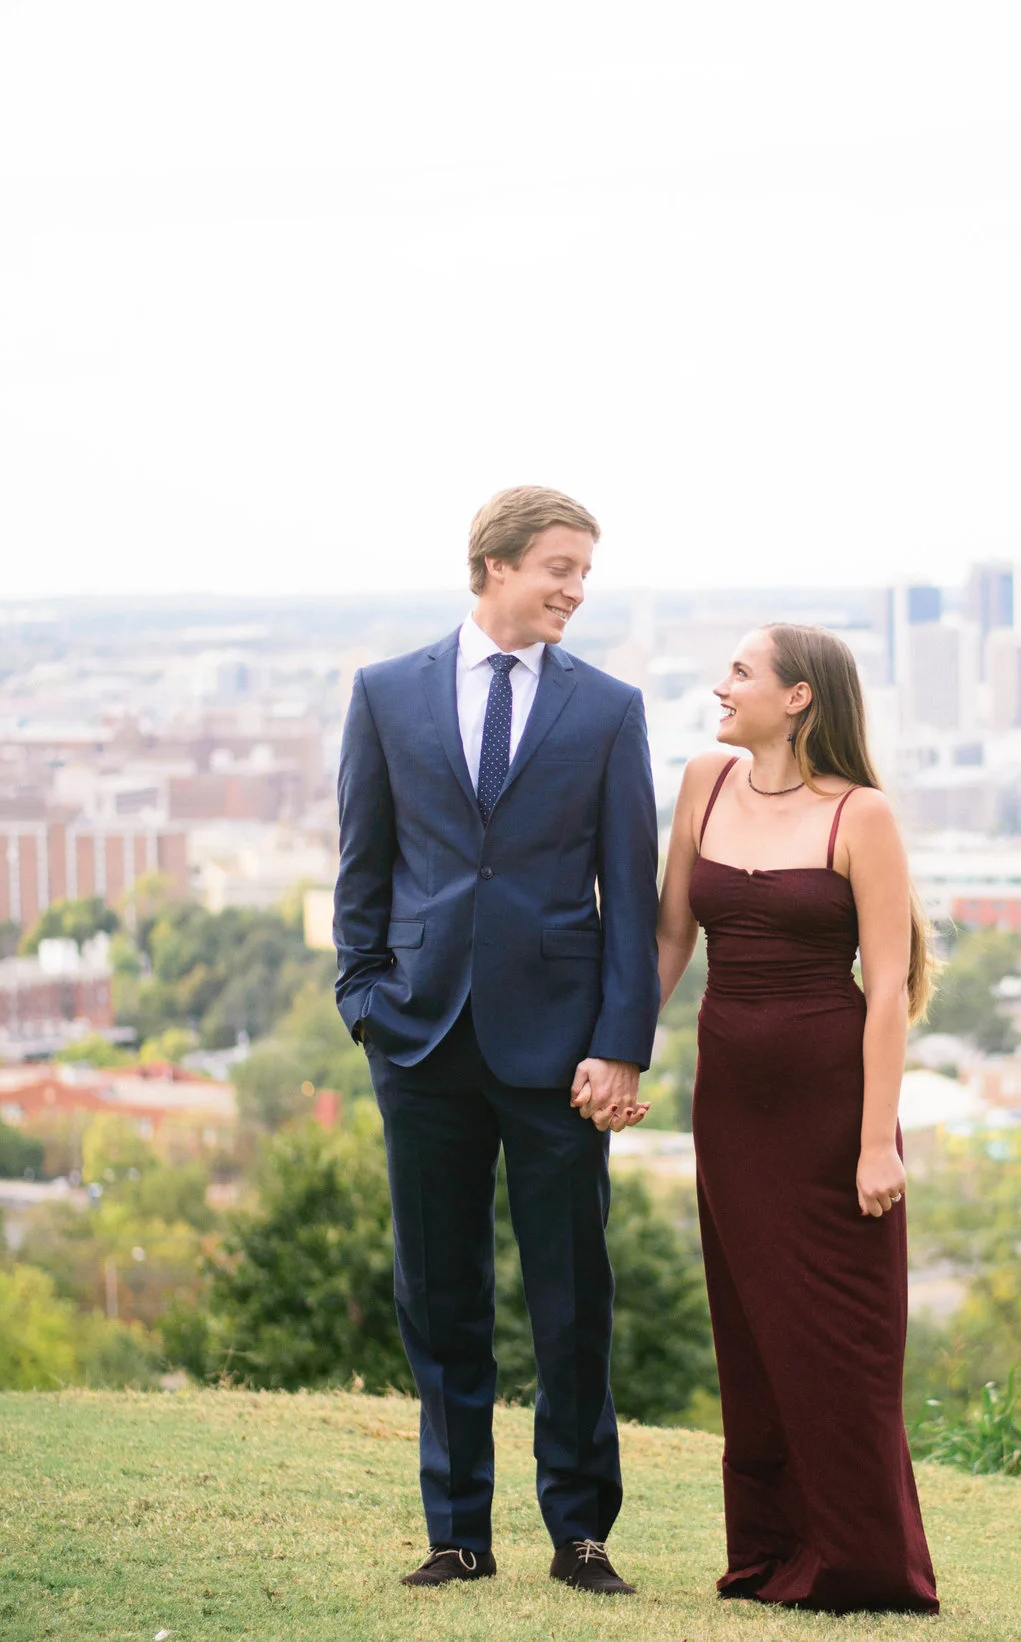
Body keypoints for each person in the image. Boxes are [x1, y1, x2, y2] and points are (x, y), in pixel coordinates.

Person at [332, 485, 660, 1595]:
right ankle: (457, 1532)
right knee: (440, 1297)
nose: (576, 590)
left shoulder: (608, 709)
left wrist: (619, 1044)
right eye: (562, 568)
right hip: (419, 1040)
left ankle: (581, 1533)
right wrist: (364, 1003)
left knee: (572, 1298)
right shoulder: (385, 693)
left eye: (584, 573)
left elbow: (631, 894)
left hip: (561, 1052)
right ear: (496, 565)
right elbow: (362, 866)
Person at [655, 623, 942, 1614]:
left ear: (798, 697)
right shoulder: (704, 782)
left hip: (832, 1114)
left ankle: (861, 1564)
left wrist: (874, 1142)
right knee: (752, 1332)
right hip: (730, 1106)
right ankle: (769, 1555)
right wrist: (620, 1048)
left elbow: (889, 983)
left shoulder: (862, 815)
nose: (721, 686)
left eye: (740, 671)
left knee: (839, 1340)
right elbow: (670, 935)